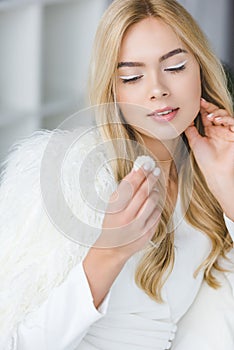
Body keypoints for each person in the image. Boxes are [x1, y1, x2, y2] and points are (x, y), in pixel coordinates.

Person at [0, 0, 234, 349]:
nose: (157, 89)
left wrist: (227, 185)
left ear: (200, 68)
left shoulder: (202, 183)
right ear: (114, 91)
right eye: (132, 77)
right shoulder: (69, 180)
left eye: (175, 66)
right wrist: (107, 255)